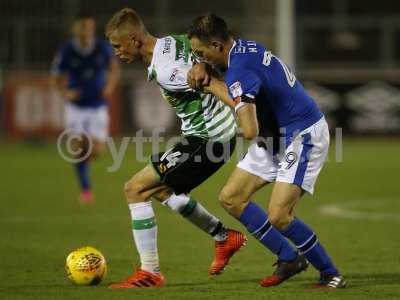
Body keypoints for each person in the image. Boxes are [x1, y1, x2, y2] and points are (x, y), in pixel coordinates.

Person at [186, 14, 346, 288]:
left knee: (279, 216)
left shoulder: (239, 71)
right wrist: (203, 64)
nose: (198, 58)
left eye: (200, 53)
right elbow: (227, 74)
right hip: (275, 135)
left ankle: (331, 274)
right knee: (232, 198)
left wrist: (211, 86)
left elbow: (249, 129)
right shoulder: (243, 47)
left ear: (216, 45)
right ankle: (288, 258)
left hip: (301, 135)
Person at [104, 8, 246, 288]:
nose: (117, 53)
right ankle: (223, 237)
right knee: (158, 189)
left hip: (208, 140)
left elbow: (216, 86)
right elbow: (207, 55)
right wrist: (205, 65)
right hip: (210, 135)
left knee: (135, 189)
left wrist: (249, 113)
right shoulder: (173, 41)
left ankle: (150, 273)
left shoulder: (168, 70)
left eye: (118, 46)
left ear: (134, 40)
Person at [51, 13, 120, 203]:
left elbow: (114, 68)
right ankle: (86, 188)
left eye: (89, 27)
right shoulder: (67, 50)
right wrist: (65, 93)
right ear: (76, 28)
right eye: (83, 26)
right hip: (76, 108)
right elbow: (56, 78)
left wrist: (110, 87)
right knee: (79, 148)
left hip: (98, 105)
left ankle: (83, 168)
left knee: (97, 150)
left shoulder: (101, 47)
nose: (86, 30)